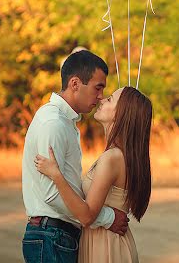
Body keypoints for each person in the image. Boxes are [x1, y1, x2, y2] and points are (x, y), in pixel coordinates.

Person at [22, 49, 129, 263]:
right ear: (75, 84)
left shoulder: (65, 122)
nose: (100, 97)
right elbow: (51, 195)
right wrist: (107, 218)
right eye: (97, 88)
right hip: (51, 236)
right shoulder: (53, 123)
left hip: (57, 236)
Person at [34, 85, 153, 263]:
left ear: (122, 114)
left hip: (106, 247)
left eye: (110, 99)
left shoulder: (112, 158)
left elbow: (86, 215)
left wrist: (56, 175)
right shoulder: (121, 155)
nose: (102, 100)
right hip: (106, 242)